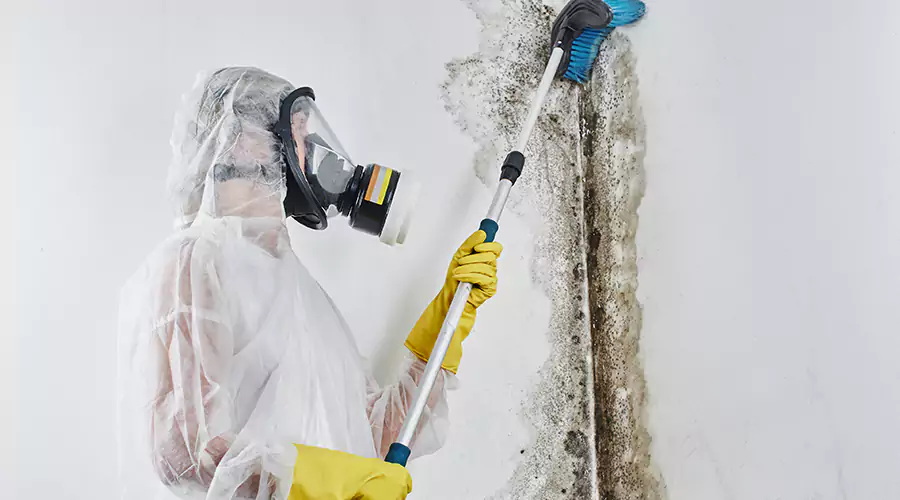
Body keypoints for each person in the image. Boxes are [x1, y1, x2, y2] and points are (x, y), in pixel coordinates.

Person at [117, 67, 503, 500]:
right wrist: (321, 485)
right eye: (298, 132)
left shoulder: (299, 288)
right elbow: (185, 452)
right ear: (244, 142)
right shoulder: (196, 260)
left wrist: (450, 317)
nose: (313, 149)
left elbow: (373, 443)